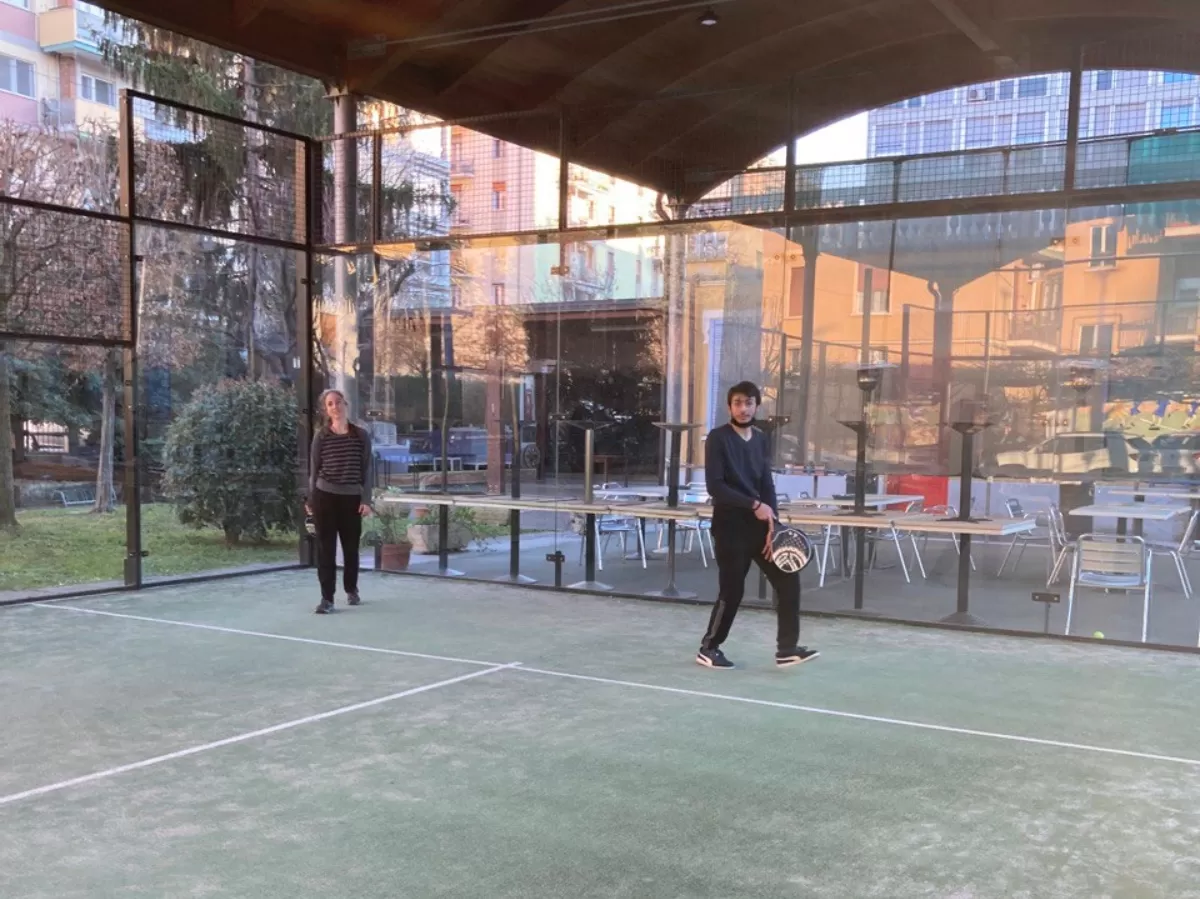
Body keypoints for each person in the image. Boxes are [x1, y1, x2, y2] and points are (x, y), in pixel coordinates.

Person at [697, 381, 818, 669]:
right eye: (737, 403)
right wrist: (754, 506)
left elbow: (766, 483)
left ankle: (787, 649)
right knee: (732, 591)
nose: (743, 408)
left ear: (756, 406)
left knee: (788, 581)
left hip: (760, 529)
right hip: (729, 527)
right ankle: (709, 648)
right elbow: (715, 486)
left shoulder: (762, 439)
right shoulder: (717, 438)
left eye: (749, 402)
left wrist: (772, 524)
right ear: (729, 407)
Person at [306, 389, 373, 614]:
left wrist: (366, 499)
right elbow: (314, 471)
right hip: (325, 497)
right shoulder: (321, 436)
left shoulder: (361, 435)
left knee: (351, 548)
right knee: (326, 549)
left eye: (338, 402)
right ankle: (327, 599)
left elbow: (367, 469)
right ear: (326, 410)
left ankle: (351, 589)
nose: (335, 407)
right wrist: (311, 499)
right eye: (330, 404)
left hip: (352, 498)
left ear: (346, 404)